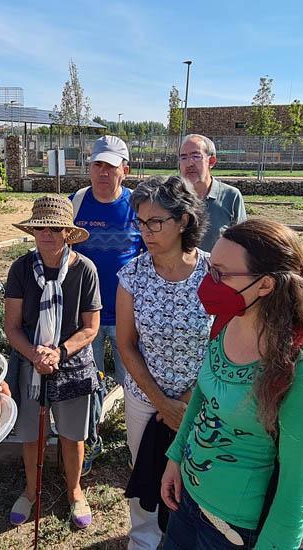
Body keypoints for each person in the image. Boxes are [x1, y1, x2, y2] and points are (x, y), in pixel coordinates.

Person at [161, 219, 303, 549]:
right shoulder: (227, 323)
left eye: (220, 274)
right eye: (210, 269)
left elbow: (297, 493)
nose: (207, 283)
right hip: (188, 502)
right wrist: (176, 458)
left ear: (266, 285)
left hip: (233, 531)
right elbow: (203, 396)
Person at [116, 176, 212, 549]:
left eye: (155, 222)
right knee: (146, 472)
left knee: (198, 473)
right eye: (140, 222)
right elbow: (126, 345)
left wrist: (188, 400)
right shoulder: (133, 275)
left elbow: (222, 343)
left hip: (204, 400)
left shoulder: (212, 273)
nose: (145, 232)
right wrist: (161, 402)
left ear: (184, 220)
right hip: (145, 402)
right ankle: (143, 540)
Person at [4, 195, 102, 529]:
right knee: (31, 434)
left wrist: (59, 352)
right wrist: (35, 355)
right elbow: (12, 326)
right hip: (31, 364)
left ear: (67, 233)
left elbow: (90, 327)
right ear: (33, 231)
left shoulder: (84, 269)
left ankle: (75, 490)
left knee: (73, 436)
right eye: (41, 228)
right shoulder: (20, 269)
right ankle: (31, 491)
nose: (47, 234)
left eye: (56, 228)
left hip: (72, 362)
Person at [70, 135, 146, 474]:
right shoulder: (77, 202)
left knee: (134, 381)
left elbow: (150, 255)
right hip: (87, 317)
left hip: (128, 315)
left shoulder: (138, 207)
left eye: (110, 166)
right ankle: (91, 441)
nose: (103, 172)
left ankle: (138, 445)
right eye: (97, 164)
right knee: (90, 381)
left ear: (124, 171)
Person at [178, 134, 247, 251]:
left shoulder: (230, 196)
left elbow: (243, 243)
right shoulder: (171, 196)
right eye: (183, 157)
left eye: (196, 156)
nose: (189, 163)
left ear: (211, 161)